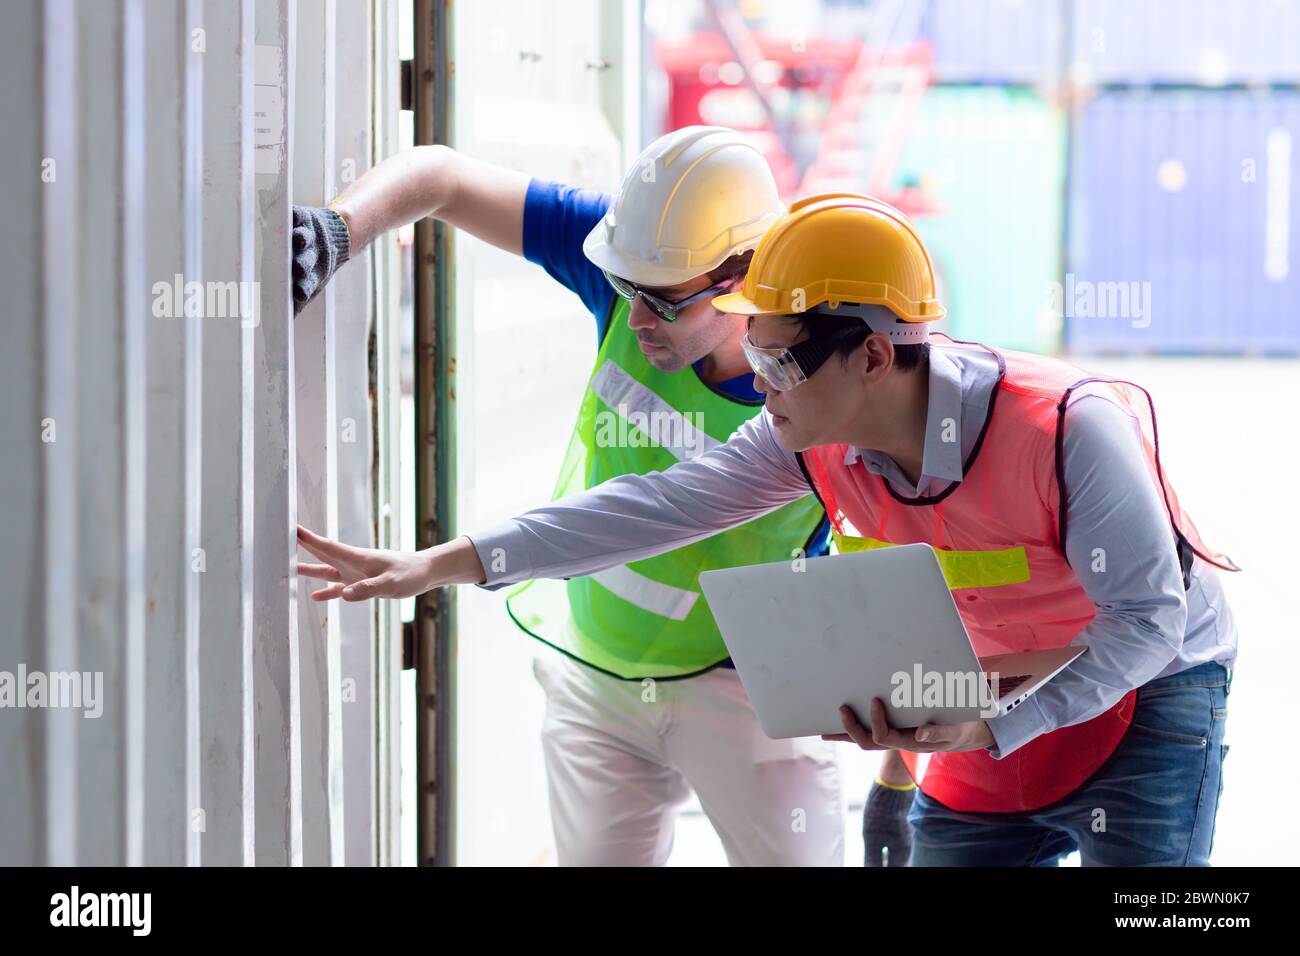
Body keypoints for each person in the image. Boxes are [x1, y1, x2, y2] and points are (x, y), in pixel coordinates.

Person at [299, 192, 1241, 866]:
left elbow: (1147, 624)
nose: (758, 383)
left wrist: (996, 728)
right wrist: (448, 562)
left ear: (873, 353)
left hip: (1147, 687)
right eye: (752, 352)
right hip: (986, 692)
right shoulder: (807, 437)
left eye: (779, 362)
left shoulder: (1070, 428)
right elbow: (657, 507)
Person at [293, 127, 921, 866]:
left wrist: (898, 782)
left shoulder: (822, 394)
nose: (637, 318)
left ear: (742, 278)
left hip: (748, 688)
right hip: (596, 677)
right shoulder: (636, 263)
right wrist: (338, 231)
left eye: (661, 303)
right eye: (626, 293)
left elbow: (923, 577)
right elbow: (441, 177)